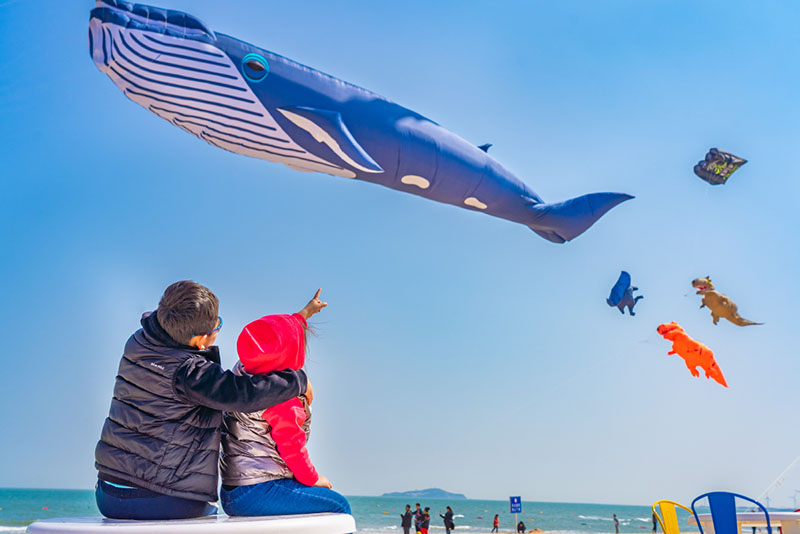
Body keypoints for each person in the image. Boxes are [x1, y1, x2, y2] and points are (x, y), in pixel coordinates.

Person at [94, 281, 309, 520]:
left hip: (108, 494)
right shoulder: (189, 373)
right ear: (200, 341)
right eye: (218, 325)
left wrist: (300, 317)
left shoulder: (139, 342)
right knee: (210, 515)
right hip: (162, 497)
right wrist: (297, 380)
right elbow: (240, 393)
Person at [219, 290, 350, 516]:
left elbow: (271, 338)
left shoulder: (242, 374)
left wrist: (305, 313)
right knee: (338, 506)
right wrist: (313, 478)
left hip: (233, 490)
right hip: (258, 490)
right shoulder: (282, 399)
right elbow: (291, 447)